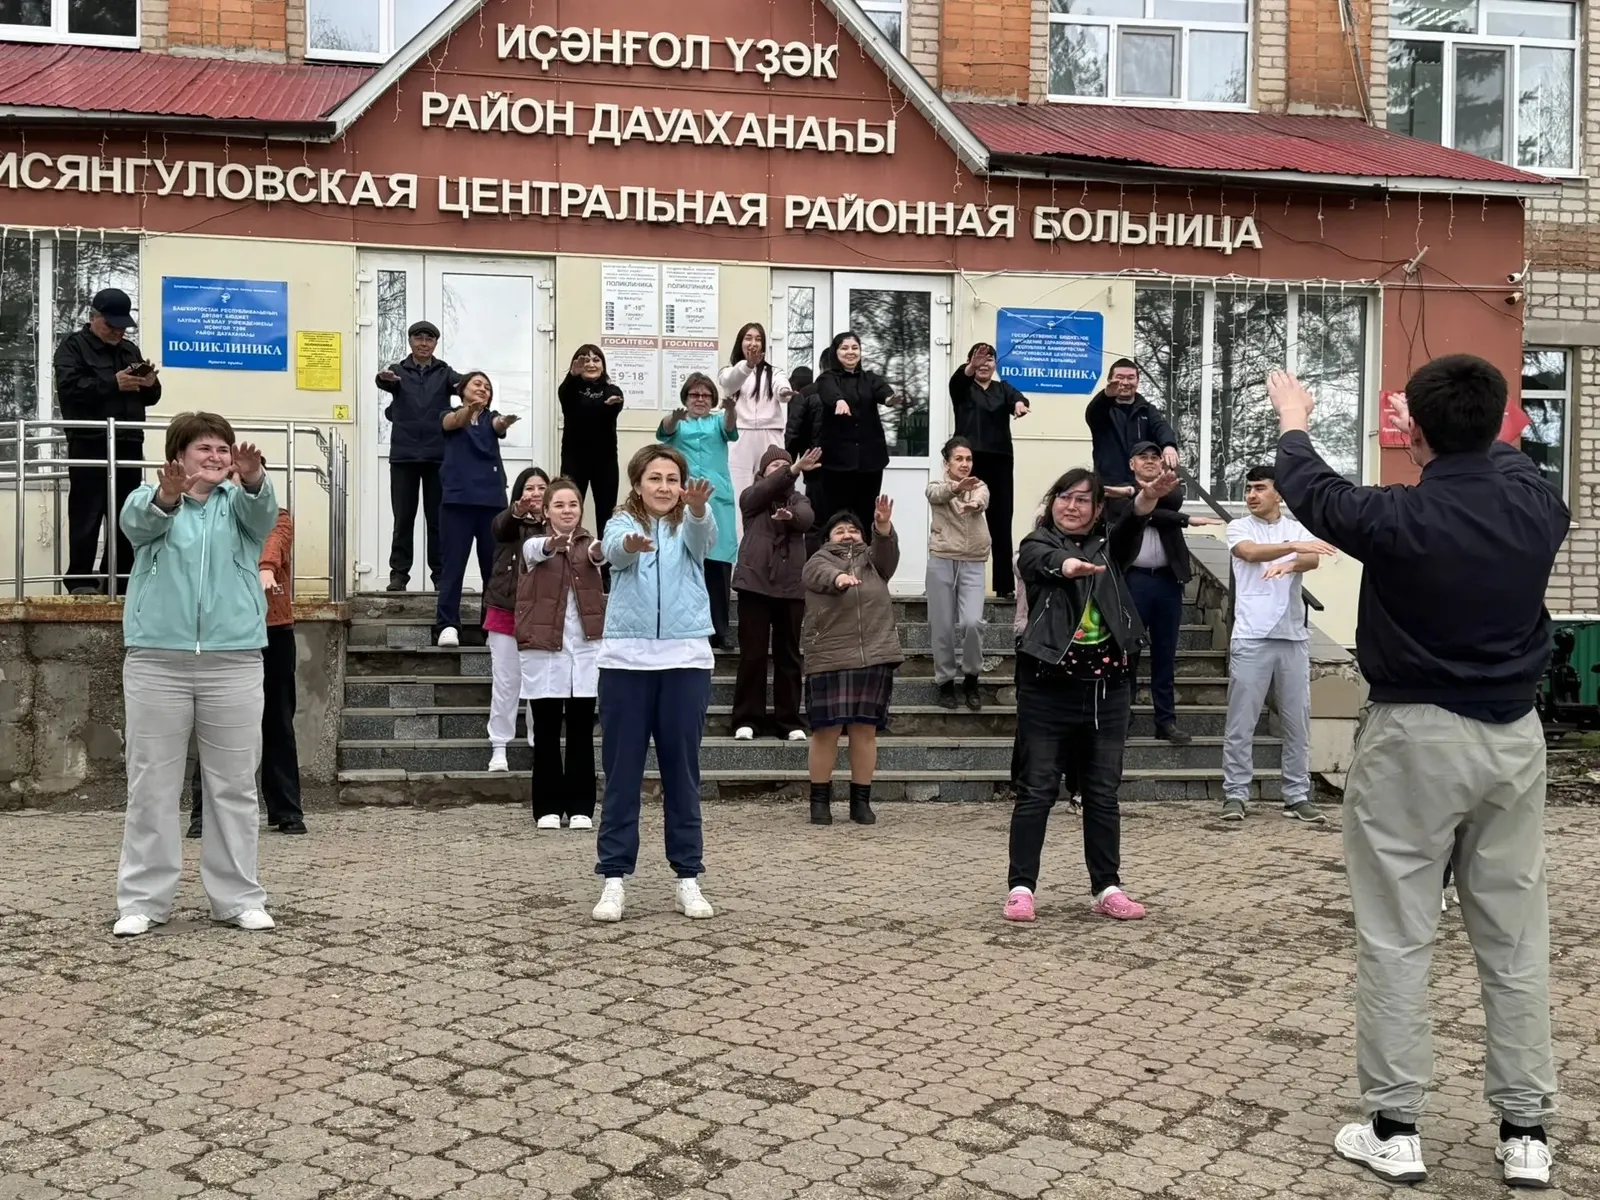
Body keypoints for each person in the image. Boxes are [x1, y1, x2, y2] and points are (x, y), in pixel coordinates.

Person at [1267, 359, 1568, 1190]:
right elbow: (1502, 456)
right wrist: (1447, 429)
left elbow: (1309, 483)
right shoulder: (1539, 504)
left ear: (1416, 435)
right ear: (1501, 423)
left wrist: (1295, 412)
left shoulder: (1396, 515)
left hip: (1413, 738)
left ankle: (1396, 1127)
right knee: (1513, 935)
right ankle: (1526, 1132)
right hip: (1514, 737)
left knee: (1398, 931)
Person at [112, 413, 279, 938]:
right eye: (203, 448)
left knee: (233, 786)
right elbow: (137, 527)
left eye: (223, 449)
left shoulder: (243, 506)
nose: (215, 456)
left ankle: (237, 898)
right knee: (151, 787)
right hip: (157, 661)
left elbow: (265, 515)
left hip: (233, 662)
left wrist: (253, 479)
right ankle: (142, 901)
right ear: (178, 456)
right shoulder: (148, 498)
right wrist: (166, 497)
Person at [1003, 463, 1178, 926]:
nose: (1072, 505)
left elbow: (1131, 527)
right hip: (1047, 689)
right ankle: (1021, 889)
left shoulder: (1109, 547)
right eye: (1065, 496)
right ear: (1052, 502)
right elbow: (1037, 563)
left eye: (1083, 499)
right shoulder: (1037, 542)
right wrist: (1067, 566)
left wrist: (1145, 500)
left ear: (1098, 508)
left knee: (1102, 793)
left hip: (1108, 689)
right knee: (1036, 791)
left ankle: (1107, 887)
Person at [591, 445, 718, 923]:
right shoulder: (621, 521)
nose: (664, 486)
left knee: (681, 773)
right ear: (638, 483)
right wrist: (630, 546)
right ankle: (614, 879)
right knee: (622, 773)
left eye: (672, 478)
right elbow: (616, 556)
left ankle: (688, 876)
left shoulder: (690, 520)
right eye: (655, 478)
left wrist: (701, 508)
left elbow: (703, 539)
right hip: (626, 661)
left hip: (685, 661)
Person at [187, 459, 305, 839]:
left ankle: (286, 810)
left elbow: (274, 539)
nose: (236, 484)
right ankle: (203, 814)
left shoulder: (278, 515)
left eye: (245, 478)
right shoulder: (208, 519)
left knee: (277, 722)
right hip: (225, 634)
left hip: (273, 630)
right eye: (233, 477)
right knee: (213, 725)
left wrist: (266, 567)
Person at [1221, 464, 1334, 823]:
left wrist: (1291, 562)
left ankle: (1297, 795)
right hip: (1252, 635)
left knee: (1297, 721)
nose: (1251, 495)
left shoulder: (1295, 526)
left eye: (1260, 488)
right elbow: (1250, 553)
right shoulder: (1239, 526)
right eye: (1248, 489)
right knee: (1242, 721)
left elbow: (1312, 557)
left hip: (1292, 638)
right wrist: (1292, 550)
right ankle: (1235, 794)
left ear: (1278, 493)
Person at [1107, 441, 1223, 745]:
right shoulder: (1119, 494)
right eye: (1142, 457)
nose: (1149, 462)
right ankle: (1122, 718)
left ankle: (1166, 721)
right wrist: (1177, 516)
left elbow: (1163, 506)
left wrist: (1152, 499)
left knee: (1165, 655)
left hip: (1168, 582)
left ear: (1163, 464)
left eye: (1155, 457)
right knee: (1127, 653)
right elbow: (1142, 513)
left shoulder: (1172, 493)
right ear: (1131, 463)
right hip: (1134, 580)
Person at [801, 499, 902, 827]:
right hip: (830, 656)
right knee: (825, 732)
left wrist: (883, 529)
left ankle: (861, 800)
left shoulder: (875, 561)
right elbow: (818, 575)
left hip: (874, 654)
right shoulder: (817, 560)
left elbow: (888, 555)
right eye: (840, 530)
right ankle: (819, 801)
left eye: (854, 530)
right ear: (828, 538)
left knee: (865, 731)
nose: (848, 535)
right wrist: (839, 579)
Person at [55, 287, 161, 597]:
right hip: (90, 442)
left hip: (128, 442)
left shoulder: (130, 350)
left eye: (122, 326)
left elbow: (152, 397)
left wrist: (149, 384)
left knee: (127, 514)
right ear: (94, 317)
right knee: (87, 512)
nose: (117, 332)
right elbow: (71, 389)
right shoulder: (73, 347)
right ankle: (80, 581)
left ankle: (119, 579)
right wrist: (112, 382)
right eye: (111, 325)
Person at [516, 478, 607, 830]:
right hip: (544, 647)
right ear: (546, 509)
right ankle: (547, 807)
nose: (567, 511)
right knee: (548, 727)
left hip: (584, 647)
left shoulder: (590, 543)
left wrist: (606, 551)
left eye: (572, 505)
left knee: (583, 727)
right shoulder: (534, 543)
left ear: (581, 509)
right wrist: (553, 545)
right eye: (559, 505)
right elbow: (536, 552)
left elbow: (601, 554)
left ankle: (582, 806)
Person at [731, 445, 821, 741]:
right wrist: (792, 468)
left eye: (785, 464)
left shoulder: (799, 499)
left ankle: (789, 720)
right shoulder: (752, 498)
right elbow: (761, 493)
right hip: (754, 585)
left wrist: (790, 517)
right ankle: (747, 718)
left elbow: (806, 519)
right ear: (763, 472)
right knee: (753, 655)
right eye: (774, 466)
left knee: (789, 656)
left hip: (791, 589)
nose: (781, 469)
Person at [378, 320, 464, 591]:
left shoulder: (444, 372)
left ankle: (440, 576)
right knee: (403, 518)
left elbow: (463, 386)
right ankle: (399, 575)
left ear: (435, 344)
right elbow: (383, 380)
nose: (424, 343)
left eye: (429, 339)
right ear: (410, 341)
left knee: (438, 519)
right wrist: (383, 378)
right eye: (419, 338)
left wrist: (475, 386)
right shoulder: (398, 371)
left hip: (438, 457)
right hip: (403, 457)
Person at [435, 372, 517, 648]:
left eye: (487, 386)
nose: (483, 389)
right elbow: (452, 423)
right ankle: (447, 625)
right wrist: (468, 410)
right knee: (453, 566)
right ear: (463, 390)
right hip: (457, 502)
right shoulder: (450, 413)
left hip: (492, 503)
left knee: (492, 569)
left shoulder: (491, 416)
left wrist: (503, 422)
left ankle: (490, 626)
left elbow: (498, 425)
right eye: (477, 384)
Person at [657, 372, 739, 648]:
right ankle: (689, 627)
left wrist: (731, 410)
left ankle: (720, 631)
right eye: (694, 395)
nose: (700, 399)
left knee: (718, 567)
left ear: (713, 399)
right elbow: (665, 430)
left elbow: (730, 428)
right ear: (685, 398)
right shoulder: (679, 423)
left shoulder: (718, 421)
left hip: (718, 499)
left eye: (705, 395)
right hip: (686, 500)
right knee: (686, 562)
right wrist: (675, 418)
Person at [950, 342, 1028, 598]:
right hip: (968, 462)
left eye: (990, 359)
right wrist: (971, 365)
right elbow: (957, 380)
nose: (984, 364)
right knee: (962, 519)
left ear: (996, 364)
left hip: (1000, 461)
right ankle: (955, 583)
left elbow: (1018, 397)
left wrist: (1019, 405)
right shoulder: (962, 388)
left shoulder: (1002, 388)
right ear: (970, 362)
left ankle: (1004, 586)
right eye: (978, 360)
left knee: (1001, 521)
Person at [484, 468, 548, 771]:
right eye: (529, 487)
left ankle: (540, 744)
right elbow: (499, 528)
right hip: (504, 612)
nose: (535, 493)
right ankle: (499, 746)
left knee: (539, 685)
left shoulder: (555, 524)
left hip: (541, 618)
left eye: (541, 487)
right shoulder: (509, 521)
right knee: (506, 683)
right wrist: (517, 512)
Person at [926, 436, 991, 712]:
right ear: (947, 462)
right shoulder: (936, 486)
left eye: (968, 459)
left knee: (972, 623)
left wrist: (973, 504)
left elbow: (982, 498)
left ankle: (972, 678)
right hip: (942, 560)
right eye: (959, 459)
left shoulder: (980, 485)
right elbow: (936, 495)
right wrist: (955, 489)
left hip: (973, 562)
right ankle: (945, 683)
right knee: (941, 627)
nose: (965, 464)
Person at [813, 332, 895, 537]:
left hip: (869, 463)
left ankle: (864, 563)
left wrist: (891, 399)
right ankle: (835, 563)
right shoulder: (827, 378)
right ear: (836, 352)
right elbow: (829, 392)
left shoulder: (870, 378)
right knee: (836, 517)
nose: (850, 352)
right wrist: (839, 401)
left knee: (866, 517)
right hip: (837, 464)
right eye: (845, 348)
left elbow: (883, 391)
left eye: (854, 348)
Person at [720, 323, 794, 539]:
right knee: (739, 492)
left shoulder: (774, 372)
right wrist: (748, 365)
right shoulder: (730, 371)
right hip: (740, 435)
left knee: (774, 488)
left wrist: (785, 393)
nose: (753, 343)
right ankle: (740, 551)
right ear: (740, 342)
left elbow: (782, 388)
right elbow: (729, 385)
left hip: (770, 435)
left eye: (758, 339)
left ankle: (773, 542)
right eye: (748, 338)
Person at [558, 344, 625, 528]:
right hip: (574, 461)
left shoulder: (611, 390)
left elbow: (614, 404)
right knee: (569, 509)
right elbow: (565, 397)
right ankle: (569, 552)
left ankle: (605, 554)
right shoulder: (570, 390)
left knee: (606, 514)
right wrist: (572, 375)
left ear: (603, 365)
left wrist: (610, 405)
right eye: (585, 360)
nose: (591, 364)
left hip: (605, 463)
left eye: (596, 360)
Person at [1085, 358, 1179, 487]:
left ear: (1137, 381)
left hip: (1142, 486)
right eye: (1120, 377)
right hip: (1109, 485)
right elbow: (1092, 414)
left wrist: (1168, 445)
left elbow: (1161, 427)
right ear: (1109, 381)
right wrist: (1106, 396)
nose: (1125, 382)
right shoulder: (1103, 410)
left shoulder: (1147, 410)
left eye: (1130, 378)